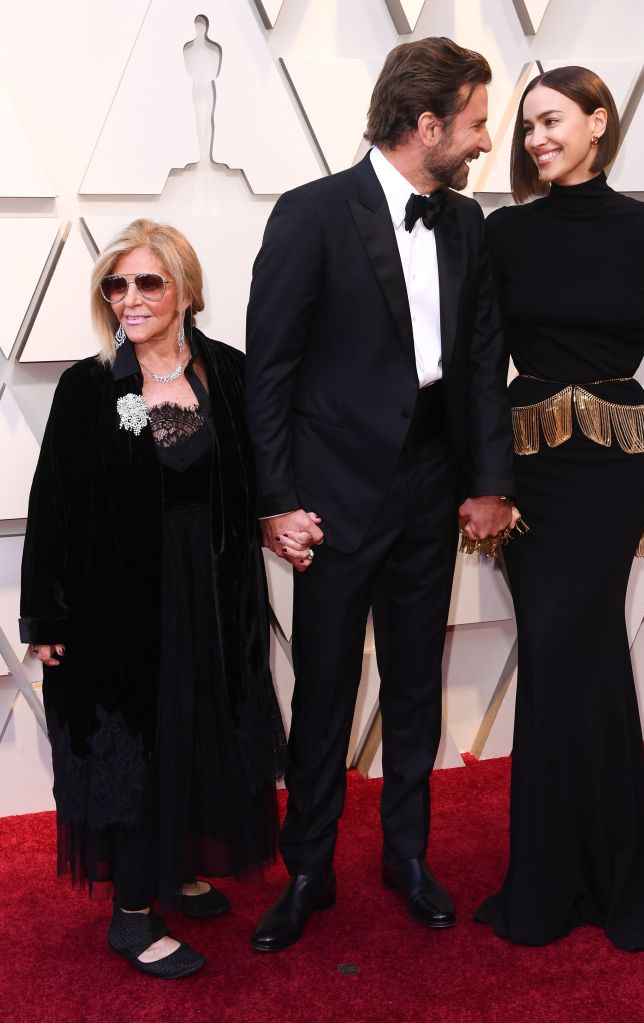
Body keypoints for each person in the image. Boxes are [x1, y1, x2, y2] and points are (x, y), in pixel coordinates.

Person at [245, 37, 517, 952]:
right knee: (324, 687)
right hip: (331, 497)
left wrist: (489, 481)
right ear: (426, 124)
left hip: (431, 485)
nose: (485, 140)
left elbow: (481, 362)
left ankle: (407, 854)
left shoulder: (466, 223)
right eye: (475, 122)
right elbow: (269, 372)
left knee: (412, 684)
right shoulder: (312, 213)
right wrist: (275, 500)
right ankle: (308, 868)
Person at [473, 66, 644, 949]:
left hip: (611, 475)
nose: (535, 139)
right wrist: (480, 479)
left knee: (571, 646)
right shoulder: (503, 232)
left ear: (598, 122)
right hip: (527, 476)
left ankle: (592, 865)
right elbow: (481, 365)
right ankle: (565, 867)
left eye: (551, 120)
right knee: (565, 654)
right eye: (526, 126)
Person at [19, 219, 287, 978]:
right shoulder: (87, 387)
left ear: (185, 290)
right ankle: (132, 915)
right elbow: (52, 506)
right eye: (116, 284)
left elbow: (262, 474)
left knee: (201, 730)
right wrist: (45, 615)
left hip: (214, 599)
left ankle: (178, 864)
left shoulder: (228, 373)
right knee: (140, 743)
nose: (129, 298)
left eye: (147, 282)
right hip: (122, 612)